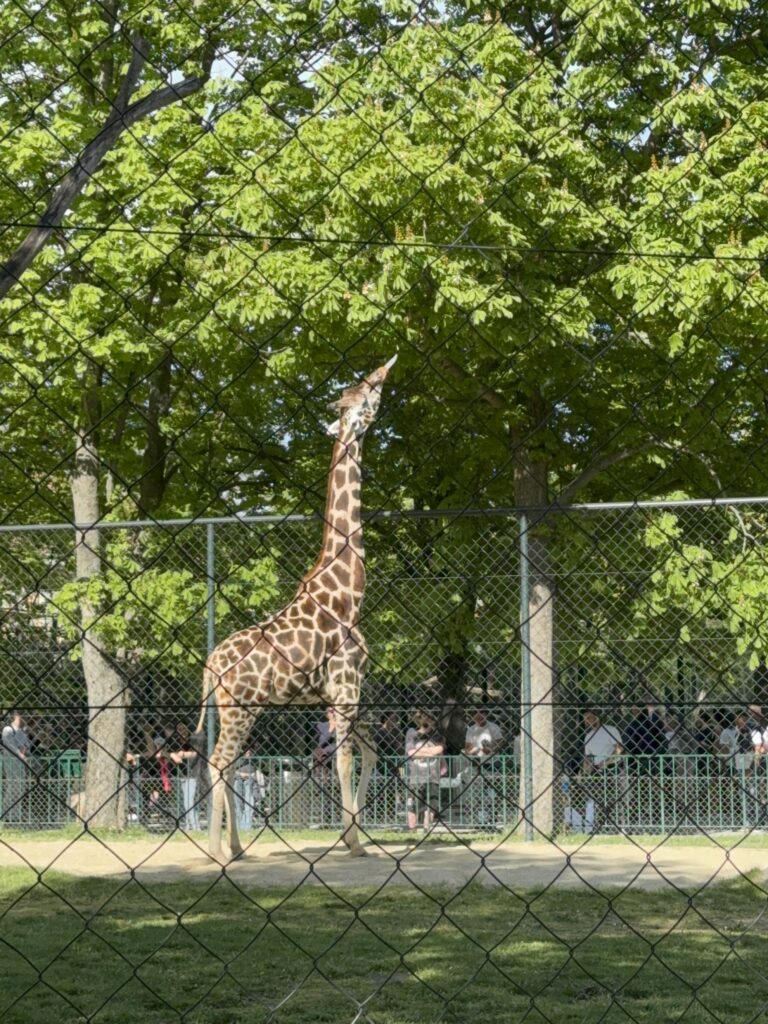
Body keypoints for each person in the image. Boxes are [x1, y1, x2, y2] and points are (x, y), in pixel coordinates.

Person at [580, 709, 622, 833]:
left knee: (614, 798)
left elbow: (619, 749)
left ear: (598, 717)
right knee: (594, 798)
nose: (588, 721)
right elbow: (587, 757)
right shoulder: (588, 736)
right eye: (586, 719)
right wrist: (584, 773)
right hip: (595, 770)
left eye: (590, 717)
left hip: (612, 768)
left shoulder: (611, 730)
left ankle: (619, 826)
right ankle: (592, 827)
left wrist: (606, 762)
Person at [405, 712, 444, 832]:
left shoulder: (437, 735)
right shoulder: (412, 733)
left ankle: (427, 829)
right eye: (424, 718)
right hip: (416, 775)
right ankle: (412, 829)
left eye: (430, 718)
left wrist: (421, 751)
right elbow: (411, 753)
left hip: (432, 774)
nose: (428, 720)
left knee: (431, 804)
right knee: (413, 803)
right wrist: (431, 752)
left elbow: (440, 749)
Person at [170, 723, 207, 832]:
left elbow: (195, 754)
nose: (182, 733)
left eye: (183, 730)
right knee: (186, 802)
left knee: (189, 802)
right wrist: (174, 754)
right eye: (179, 730)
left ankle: (194, 826)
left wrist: (182, 754)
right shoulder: (176, 742)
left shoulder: (192, 741)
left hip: (193, 774)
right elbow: (170, 752)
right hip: (182, 774)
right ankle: (189, 825)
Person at [1, 712, 30, 823]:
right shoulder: (8, 730)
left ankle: (15, 815)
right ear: (17, 716)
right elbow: (9, 745)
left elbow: (27, 744)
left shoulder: (22, 731)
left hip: (20, 762)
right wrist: (19, 752)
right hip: (11, 761)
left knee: (20, 788)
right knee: (12, 787)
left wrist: (25, 749)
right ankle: (5, 813)